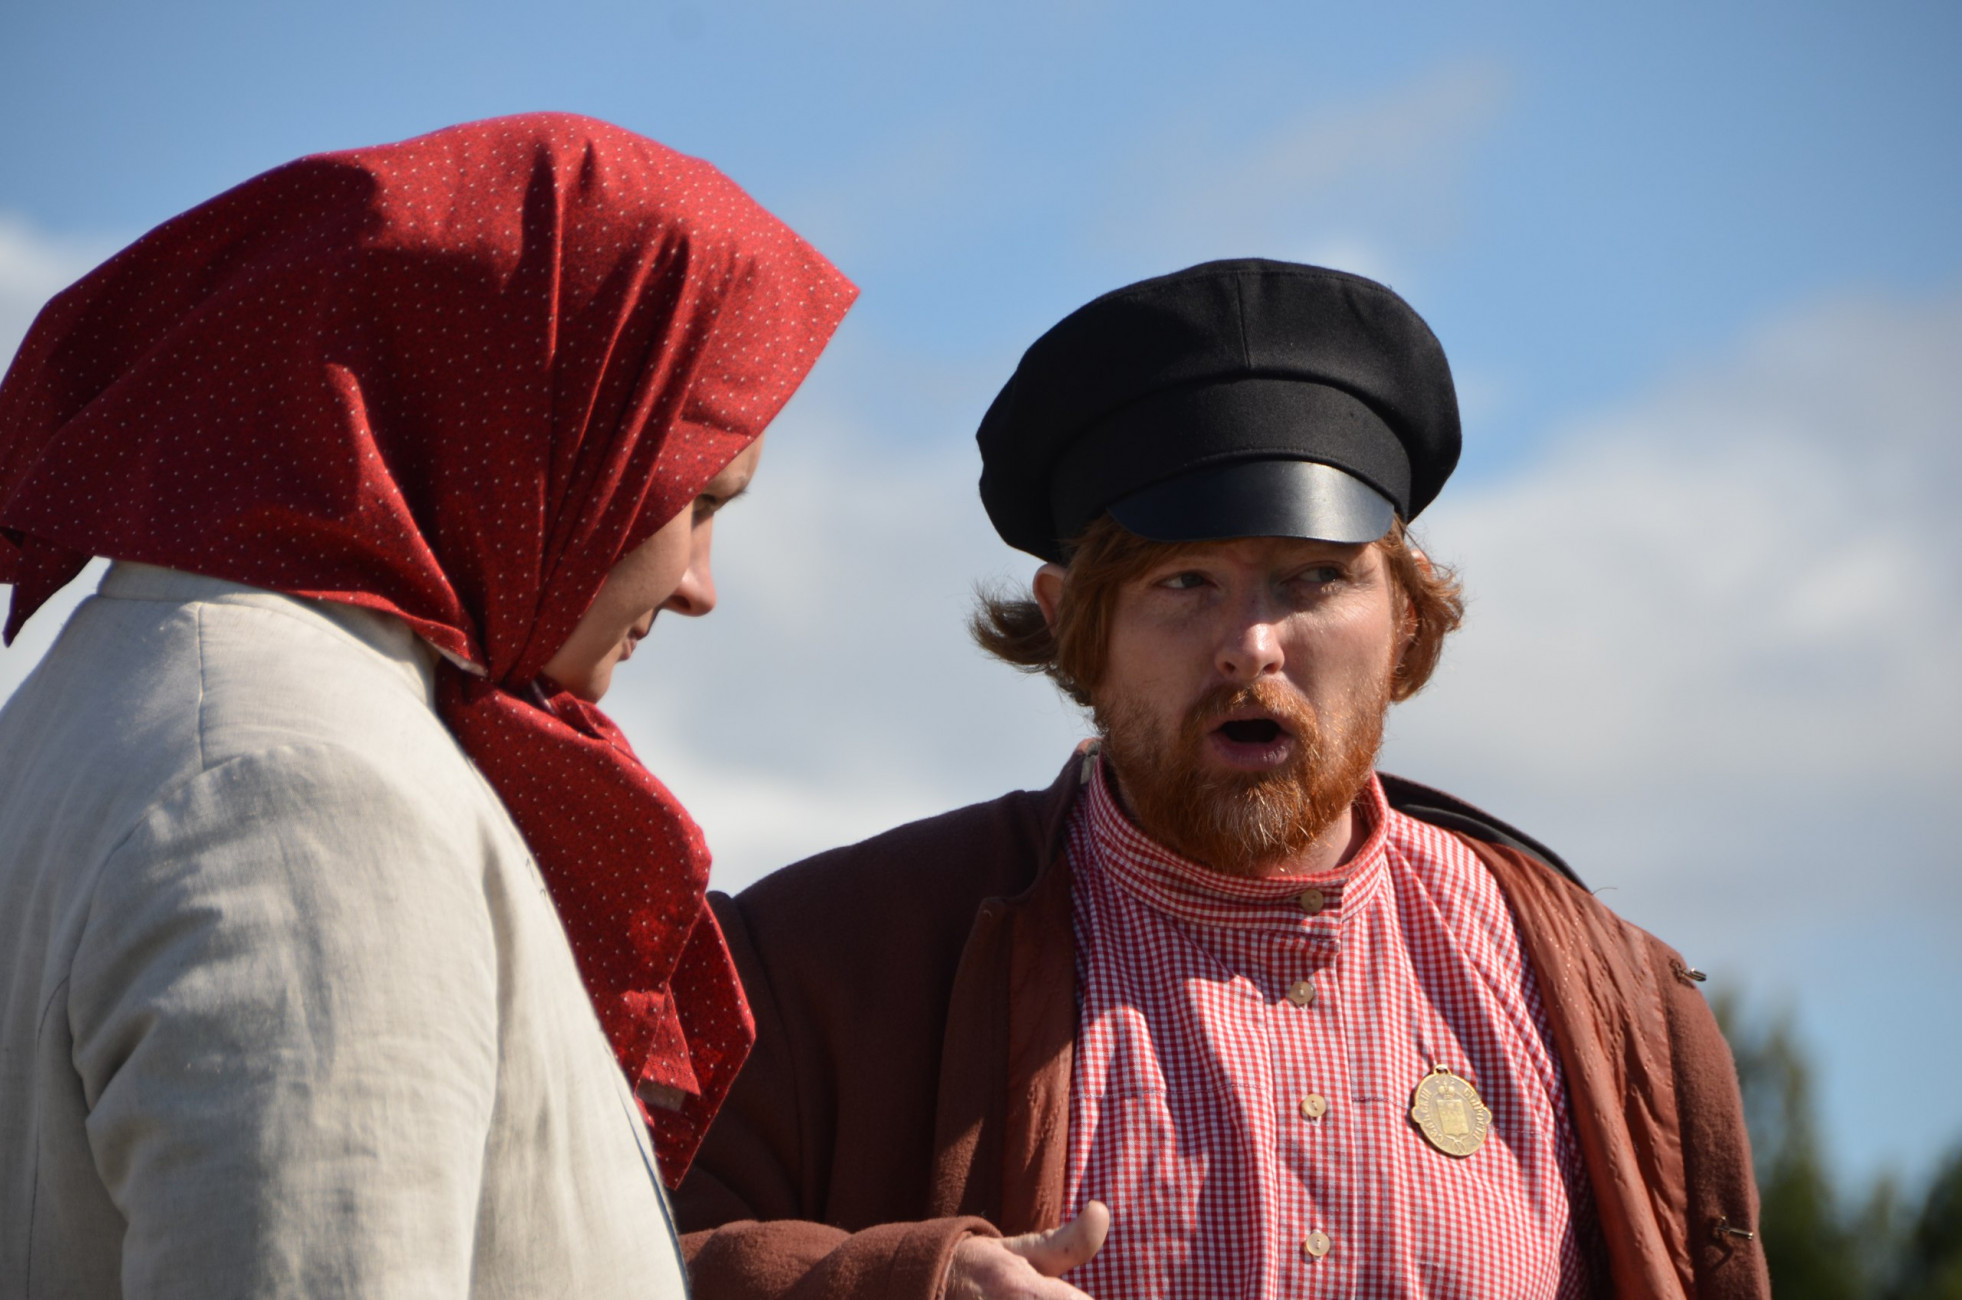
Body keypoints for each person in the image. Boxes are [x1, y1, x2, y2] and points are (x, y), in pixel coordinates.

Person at [675, 260, 1770, 1299]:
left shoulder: (1615, 1007)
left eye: (1315, 577)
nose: (1252, 644)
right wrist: (900, 1286)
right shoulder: (816, 965)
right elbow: (602, 1257)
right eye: (1186, 580)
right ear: (1074, 627)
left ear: (1405, 612)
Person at [0, 113, 854, 1296]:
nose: (699, 585)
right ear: (526, 419)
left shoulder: (122, 698)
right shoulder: (303, 796)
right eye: (697, 497)